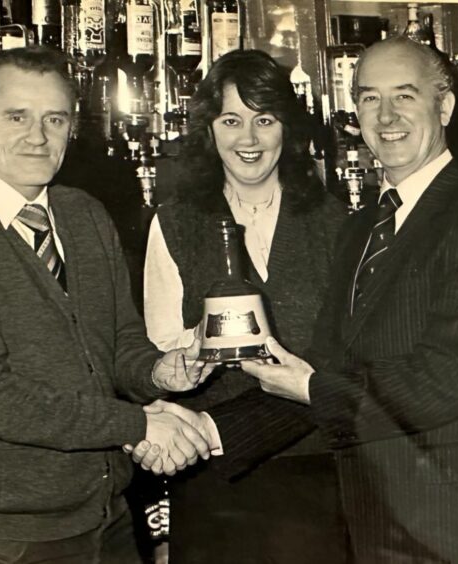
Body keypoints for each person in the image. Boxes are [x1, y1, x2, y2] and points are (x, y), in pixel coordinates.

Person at [135, 37, 458, 562]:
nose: (386, 115)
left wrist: (308, 384)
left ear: (443, 105)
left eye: (405, 95)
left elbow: (447, 381)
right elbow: (329, 370)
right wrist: (207, 430)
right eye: (369, 98)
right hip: (376, 514)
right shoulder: (364, 228)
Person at [0, 46, 213, 564]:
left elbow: (119, 345)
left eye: (55, 118)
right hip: (16, 534)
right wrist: (137, 425)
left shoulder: (84, 215)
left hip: (107, 511)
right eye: (16, 117)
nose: (37, 136)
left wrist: (161, 372)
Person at [140, 49, 347, 563]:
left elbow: (348, 357)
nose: (248, 140)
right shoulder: (174, 223)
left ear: (287, 129)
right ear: (209, 128)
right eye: (231, 120)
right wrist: (184, 360)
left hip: (312, 469)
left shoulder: (335, 224)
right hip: (211, 477)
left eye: (265, 120)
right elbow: (159, 344)